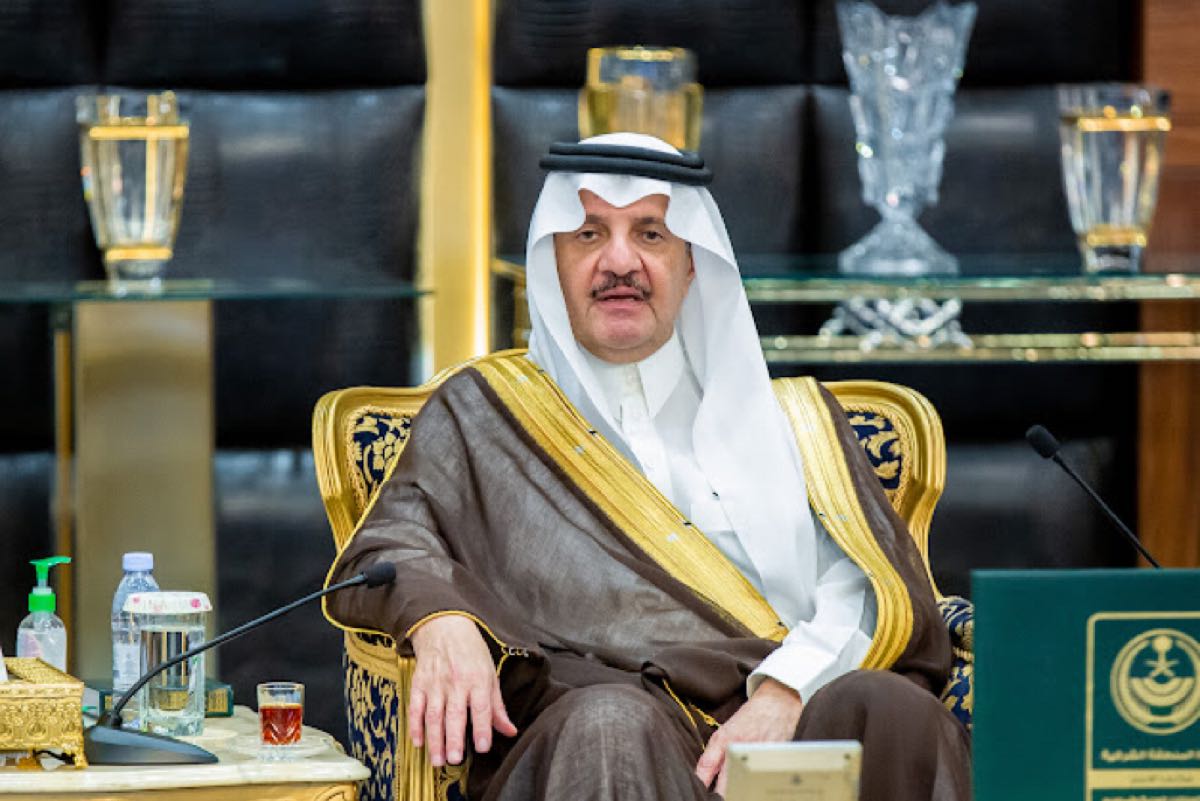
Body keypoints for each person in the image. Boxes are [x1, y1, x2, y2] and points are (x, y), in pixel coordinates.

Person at [325, 133, 970, 801]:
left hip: (793, 714)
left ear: (692, 263)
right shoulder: (485, 414)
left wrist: (786, 689)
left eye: (651, 234)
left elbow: (871, 590)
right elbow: (387, 547)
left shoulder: (797, 423)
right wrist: (440, 618)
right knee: (611, 723)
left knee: (889, 707)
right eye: (588, 234)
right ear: (552, 261)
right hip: (599, 732)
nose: (619, 261)